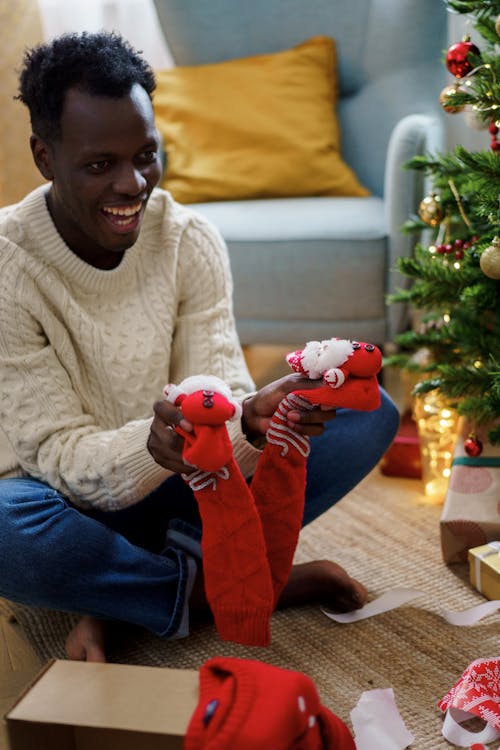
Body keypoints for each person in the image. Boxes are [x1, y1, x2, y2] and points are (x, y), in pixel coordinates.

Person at [0, 31, 399, 662]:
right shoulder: (8, 263)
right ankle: (234, 584)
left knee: (368, 408)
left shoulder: (191, 239)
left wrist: (253, 420)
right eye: (100, 165)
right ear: (45, 158)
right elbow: (58, 453)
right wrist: (154, 447)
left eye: (145, 155)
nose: (133, 185)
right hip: (69, 499)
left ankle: (132, 597)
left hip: (194, 484)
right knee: (5, 524)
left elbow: (225, 396)